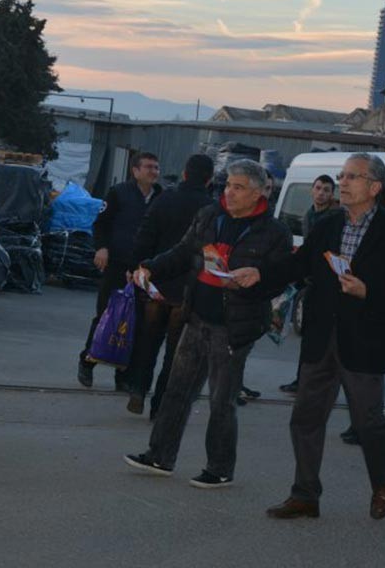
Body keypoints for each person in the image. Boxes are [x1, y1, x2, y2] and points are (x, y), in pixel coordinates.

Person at [265, 153, 385, 522]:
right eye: (342, 175)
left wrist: (368, 291)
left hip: (364, 340)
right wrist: (257, 274)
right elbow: (298, 266)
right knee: (305, 417)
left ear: (375, 187)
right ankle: (304, 495)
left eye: (353, 177)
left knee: (368, 422)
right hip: (320, 336)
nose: (343, 183)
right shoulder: (329, 224)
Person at [124, 160, 291, 489]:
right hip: (196, 315)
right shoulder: (209, 215)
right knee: (176, 390)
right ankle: (160, 456)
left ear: (258, 193)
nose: (229, 192)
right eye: (228, 184)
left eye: (238, 187)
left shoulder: (274, 232)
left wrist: (252, 282)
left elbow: (278, 280)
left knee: (221, 400)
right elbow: (185, 251)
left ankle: (219, 468)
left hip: (233, 327)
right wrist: (151, 267)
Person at [125, 153, 215, 417]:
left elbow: (144, 237)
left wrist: (137, 268)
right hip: (188, 291)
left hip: (157, 284)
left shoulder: (164, 199)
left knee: (148, 341)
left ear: (185, 174)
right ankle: (160, 405)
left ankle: (138, 389)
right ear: (209, 180)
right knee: (176, 355)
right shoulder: (210, 209)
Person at [79, 151, 162, 389]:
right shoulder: (119, 193)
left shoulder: (161, 197)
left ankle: (123, 376)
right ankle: (87, 361)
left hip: (144, 269)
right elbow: (101, 224)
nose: (153, 171)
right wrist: (101, 248)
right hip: (116, 264)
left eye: (156, 167)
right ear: (135, 171)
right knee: (106, 315)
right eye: (148, 167)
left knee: (136, 323)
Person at [340, 176, 385, 446]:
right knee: (367, 377)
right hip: (372, 313)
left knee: (368, 376)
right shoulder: (354, 220)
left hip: (376, 312)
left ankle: (364, 424)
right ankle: (361, 423)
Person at [279, 174, 337, 396]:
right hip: (309, 281)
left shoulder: (332, 217)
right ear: (312, 190)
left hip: (325, 285)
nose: (321, 193)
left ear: (332, 194)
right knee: (307, 336)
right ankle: (301, 380)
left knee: (319, 339)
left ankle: (311, 382)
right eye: (319, 188)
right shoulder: (308, 215)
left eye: (326, 190)